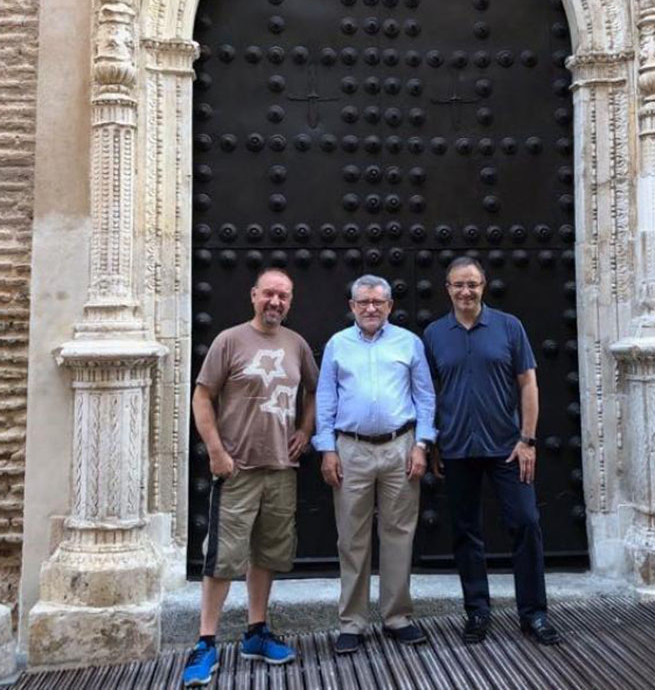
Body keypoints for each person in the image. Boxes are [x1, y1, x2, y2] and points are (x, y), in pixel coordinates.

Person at [181, 268, 319, 687]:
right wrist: (216, 452)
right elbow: (202, 396)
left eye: (284, 296)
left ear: (290, 301)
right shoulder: (229, 340)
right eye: (269, 294)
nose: (275, 302)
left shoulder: (297, 345)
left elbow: (313, 391)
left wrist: (306, 430)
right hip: (237, 469)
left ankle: (256, 632)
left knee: (268, 554)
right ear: (253, 295)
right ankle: (206, 641)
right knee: (223, 557)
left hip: (281, 468)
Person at [422, 256, 562, 646]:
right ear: (447, 289)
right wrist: (433, 440)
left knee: (526, 522)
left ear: (484, 285)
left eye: (473, 284)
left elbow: (528, 384)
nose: (465, 291)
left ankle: (533, 614)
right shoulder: (434, 334)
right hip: (457, 448)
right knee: (466, 531)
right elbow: (429, 391)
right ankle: (478, 611)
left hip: (507, 448)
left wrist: (528, 439)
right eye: (458, 285)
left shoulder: (509, 327)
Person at [314, 275, 437, 654]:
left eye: (378, 303)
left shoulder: (408, 343)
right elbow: (325, 400)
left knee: (399, 534)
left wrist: (421, 444)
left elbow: (425, 398)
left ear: (389, 307)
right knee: (351, 538)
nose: (371, 308)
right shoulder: (338, 345)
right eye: (363, 302)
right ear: (351, 306)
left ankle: (397, 617)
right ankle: (352, 622)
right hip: (350, 450)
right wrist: (327, 449)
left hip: (400, 447)